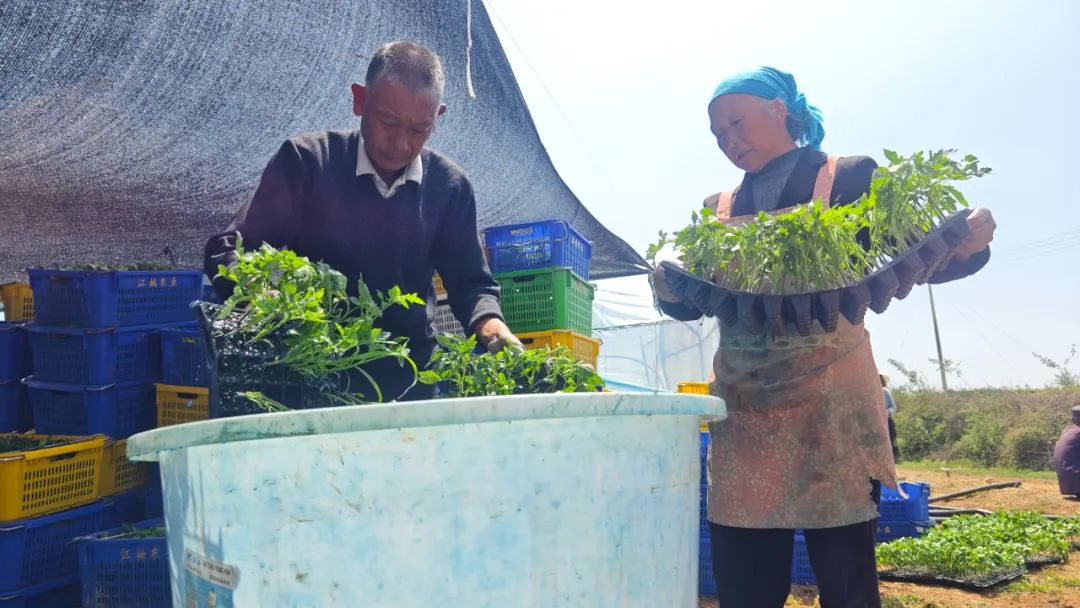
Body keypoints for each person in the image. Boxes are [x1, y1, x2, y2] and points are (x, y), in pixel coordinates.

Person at [653, 67, 995, 607]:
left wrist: (969, 243)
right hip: (745, 405)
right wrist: (667, 286)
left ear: (779, 109)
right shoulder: (716, 208)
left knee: (845, 576)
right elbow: (693, 301)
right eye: (717, 134)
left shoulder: (849, 177)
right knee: (745, 575)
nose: (728, 140)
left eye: (735, 122)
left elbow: (913, 256)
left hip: (831, 406)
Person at [205, 40, 521, 402]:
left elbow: (471, 283)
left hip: (408, 386)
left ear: (438, 118)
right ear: (360, 100)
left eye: (418, 129)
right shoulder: (307, 162)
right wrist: (261, 294)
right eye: (388, 121)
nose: (400, 142)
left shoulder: (449, 188)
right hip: (307, 382)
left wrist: (493, 328)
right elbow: (227, 248)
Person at [881, 373, 900, 461]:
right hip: (873, 422)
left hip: (886, 420)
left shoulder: (886, 393)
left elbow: (893, 407)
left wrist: (887, 412)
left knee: (891, 438)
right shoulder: (867, 393)